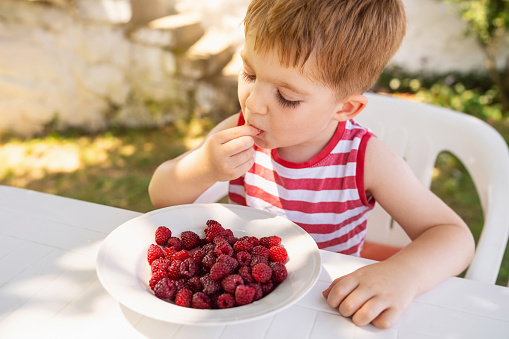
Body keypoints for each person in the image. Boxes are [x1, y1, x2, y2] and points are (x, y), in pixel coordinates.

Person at [149, 0, 475, 329]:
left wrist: (405, 274)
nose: (253, 103)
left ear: (345, 108)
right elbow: (162, 196)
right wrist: (204, 167)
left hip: (326, 309)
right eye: (249, 73)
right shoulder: (235, 130)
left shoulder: (363, 159)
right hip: (248, 308)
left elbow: (452, 235)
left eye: (287, 97)